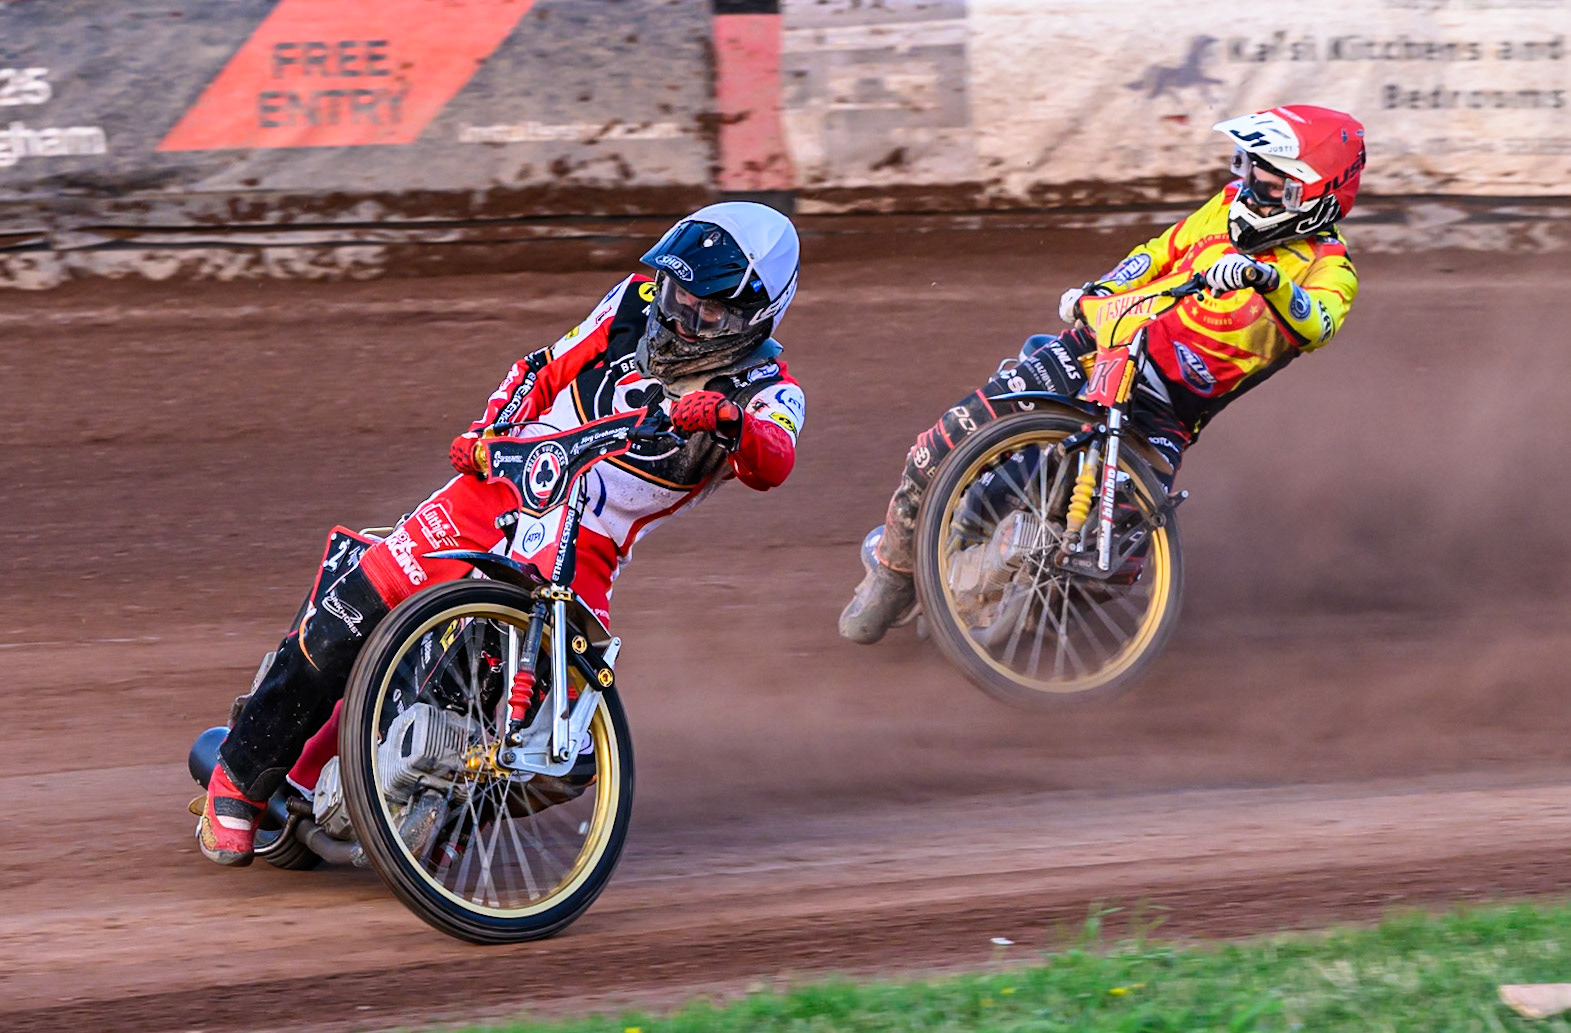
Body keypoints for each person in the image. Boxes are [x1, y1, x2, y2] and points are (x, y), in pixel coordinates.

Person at [199, 201, 807, 865]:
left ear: (757, 314)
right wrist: (486, 432)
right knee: (353, 607)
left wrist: (730, 422)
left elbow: (773, 458)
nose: (680, 314)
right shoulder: (633, 299)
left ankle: (448, 817)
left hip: (591, 546)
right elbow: (541, 367)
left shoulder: (769, 388)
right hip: (505, 483)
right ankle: (243, 773)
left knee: (567, 755)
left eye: (706, 310)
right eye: (675, 292)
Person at [839, 104, 1366, 644]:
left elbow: (1318, 324)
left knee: (1119, 563)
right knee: (946, 441)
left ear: (1317, 195)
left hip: (1166, 411)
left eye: (1272, 181)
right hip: (1099, 347)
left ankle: (1010, 616)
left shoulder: (1330, 269)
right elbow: (1157, 255)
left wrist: (1265, 280)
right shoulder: (1227, 206)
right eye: (1250, 168)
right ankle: (894, 573)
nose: (1252, 186)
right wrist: (1100, 290)